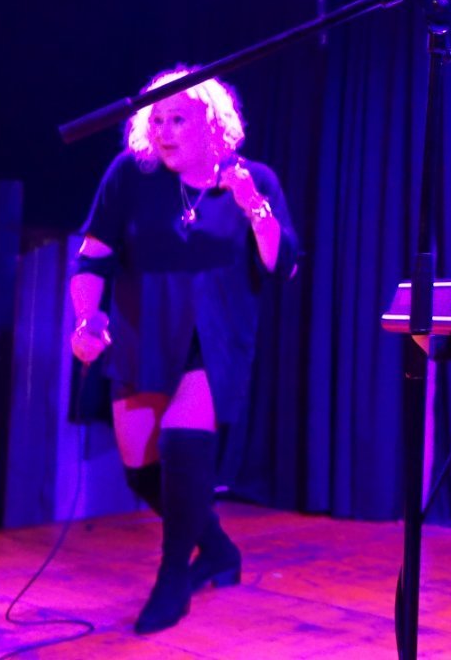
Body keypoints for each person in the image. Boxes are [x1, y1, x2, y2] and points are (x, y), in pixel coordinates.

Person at [67, 69, 297, 634]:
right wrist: (86, 319)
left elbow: (282, 265)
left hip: (215, 331)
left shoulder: (254, 178)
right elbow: (93, 257)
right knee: (140, 470)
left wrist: (252, 205)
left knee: (180, 441)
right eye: (158, 120)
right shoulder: (130, 174)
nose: (165, 131)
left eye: (179, 119)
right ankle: (217, 550)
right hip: (142, 329)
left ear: (211, 124)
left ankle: (172, 581)